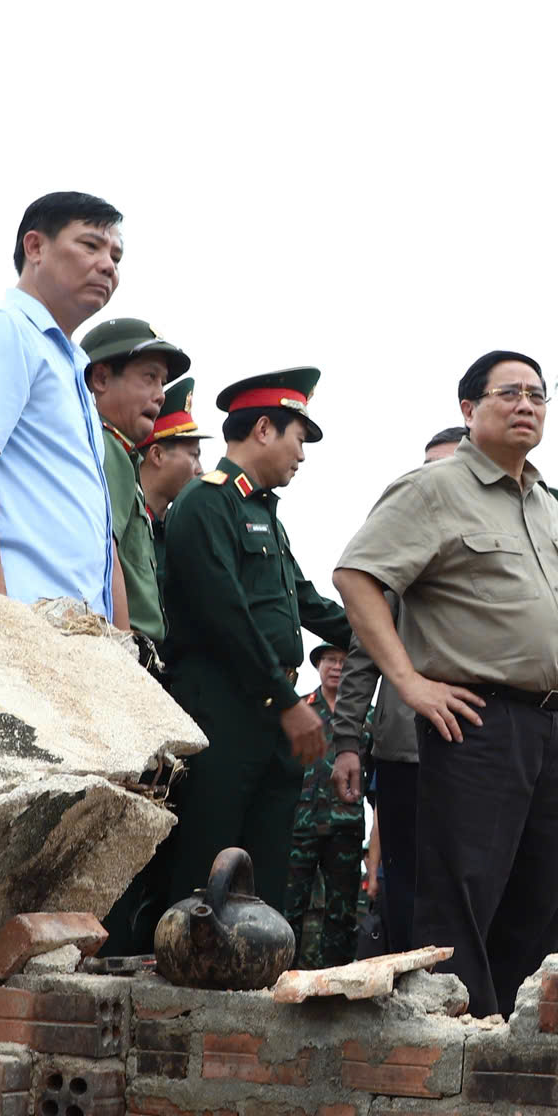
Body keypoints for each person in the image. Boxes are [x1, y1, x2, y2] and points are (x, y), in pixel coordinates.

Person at [334, 352, 558, 1016]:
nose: (527, 404)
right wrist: (409, 682)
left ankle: (507, 1040)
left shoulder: (546, 504)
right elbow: (357, 576)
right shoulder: (434, 488)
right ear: (469, 408)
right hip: (479, 720)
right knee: (462, 903)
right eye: (510, 393)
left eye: (537, 394)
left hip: (555, 729)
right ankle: (456, 1048)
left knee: (540, 899)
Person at [133, 368, 350, 938]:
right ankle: (187, 982)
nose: (302, 453)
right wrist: (286, 701)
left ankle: (254, 982)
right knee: (207, 870)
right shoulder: (207, 504)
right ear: (263, 429)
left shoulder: (263, 512)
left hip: (270, 712)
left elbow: (306, 602)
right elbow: (225, 617)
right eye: (298, 437)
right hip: (223, 708)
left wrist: (385, 636)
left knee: (263, 879)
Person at [0, 191, 128, 625]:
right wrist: (1, 623)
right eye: (90, 245)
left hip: (72, 634)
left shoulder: (72, 364)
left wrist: (119, 642)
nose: (108, 265)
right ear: (35, 247)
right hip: (14, 626)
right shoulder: (3, 330)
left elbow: (98, 530)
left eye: (116, 255)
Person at [330, 427, 464, 958]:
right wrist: (347, 742)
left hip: (480, 745)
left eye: (450, 466)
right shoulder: (398, 557)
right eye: (428, 468)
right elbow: (363, 656)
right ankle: (409, 992)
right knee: (406, 889)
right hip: (405, 750)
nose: (437, 479)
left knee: (467, 888)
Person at [80, 317, 187, 642]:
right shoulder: (107, 448)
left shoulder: (120, 452)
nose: (160, 395)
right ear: (101, 378)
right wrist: (122, 648)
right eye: (149, 378)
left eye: (162, 383)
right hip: (122, 645)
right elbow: (105, 552)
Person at [288, 644, 366, 967]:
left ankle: (337, 983)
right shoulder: (300, 711)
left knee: (342, 915)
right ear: (318, 665)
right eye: (330, 660)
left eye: (344, 662)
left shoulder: (366, 716)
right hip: (300, 826)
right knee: (288, 909)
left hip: (346, 828)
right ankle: (278, 979)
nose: (336, 667)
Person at [137, 377, 207, 536]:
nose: (200, 470)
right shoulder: (122, 521)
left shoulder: (180, 530)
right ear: (157, 455)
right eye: (193, 456)